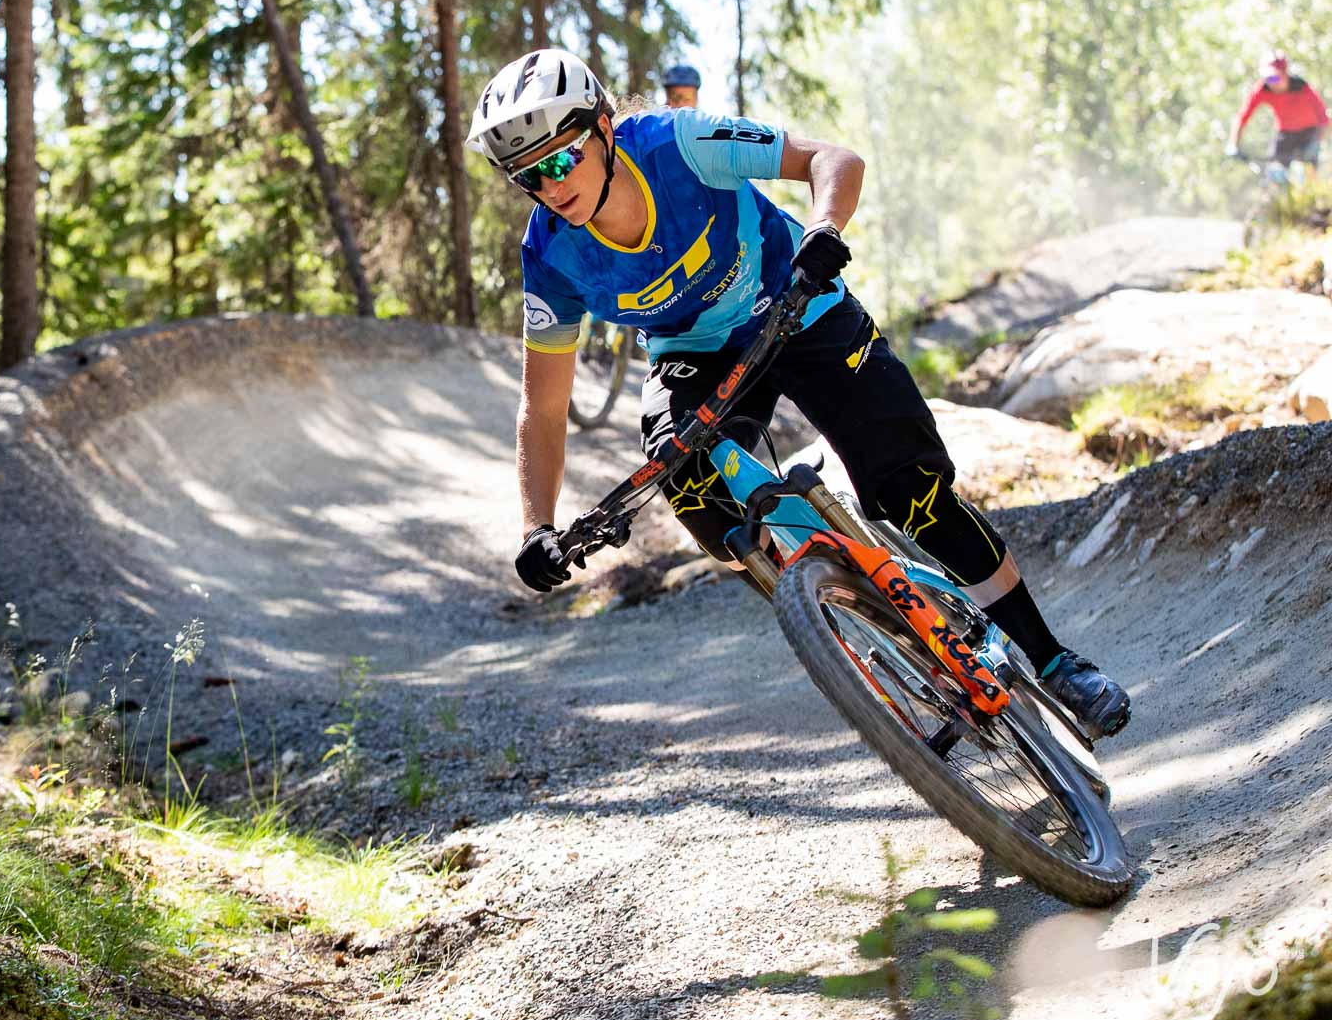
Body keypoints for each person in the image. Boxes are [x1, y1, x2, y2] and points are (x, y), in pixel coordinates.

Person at [468, 48, 1132, 739]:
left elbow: (833, 159)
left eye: (560, 159)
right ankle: (855, 611)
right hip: (693, 353)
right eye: (527, 176)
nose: (549, 186)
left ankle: (1054, 661)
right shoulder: (550, 255)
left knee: (912, 492)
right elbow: (543, 408)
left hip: (799, 305)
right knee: (691, 487)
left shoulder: (679, 144)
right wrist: (537, 526)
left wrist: (823, 230)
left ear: (604, 129)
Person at [1229, 52, 1327, 185]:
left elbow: (1324, 119)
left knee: (1308, 178)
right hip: (1285, 134)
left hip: (1309, 134)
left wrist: (1316, 143)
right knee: (1274, 174)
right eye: (1267, 78)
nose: (1271, 83)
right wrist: (1233, 144)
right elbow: (1242, 117)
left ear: (1285, 74)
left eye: (1275, 78)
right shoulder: (1262, 90)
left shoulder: (1303, 89)